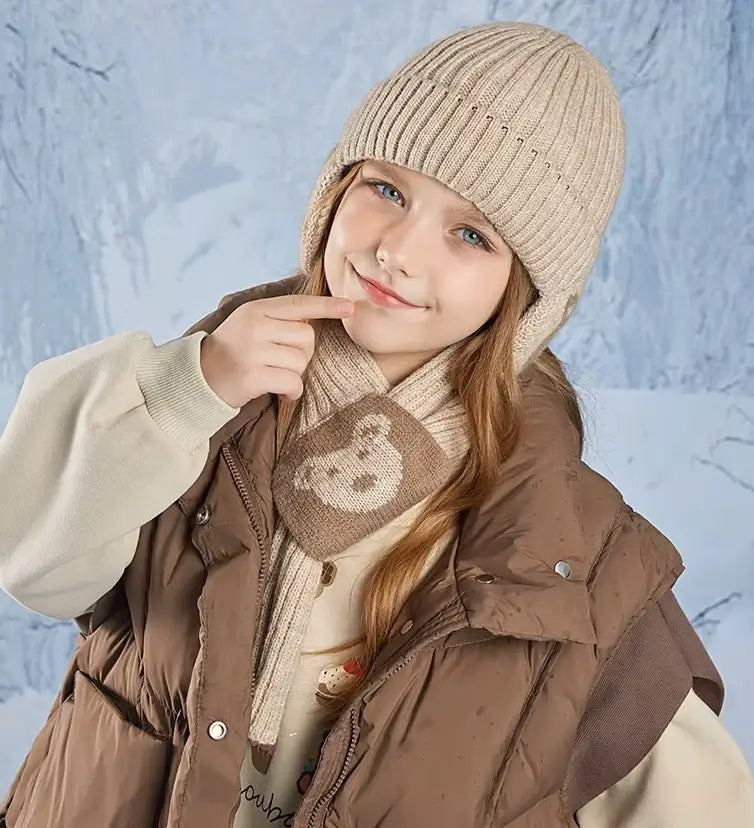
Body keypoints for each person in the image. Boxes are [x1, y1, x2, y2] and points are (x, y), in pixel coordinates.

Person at [0, 19, 752, 828]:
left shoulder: (570, 557)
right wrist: (191, 390)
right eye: (387, 189)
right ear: (335, 187)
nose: (398, 250)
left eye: (471, 234)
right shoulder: (193, 404)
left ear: (525, 296)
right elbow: (34, 563)